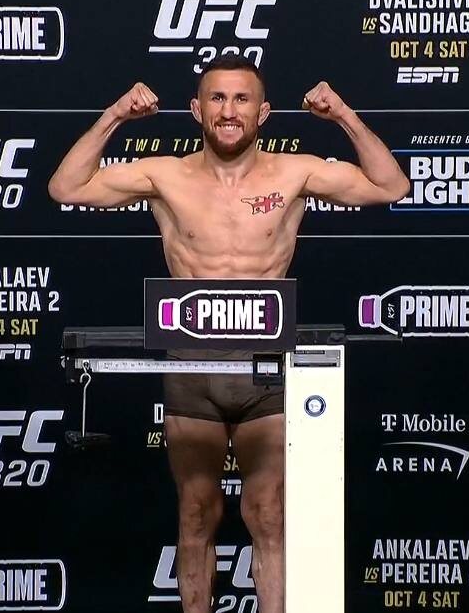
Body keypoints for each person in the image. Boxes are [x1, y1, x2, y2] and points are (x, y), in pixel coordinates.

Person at [48, 54, 409, 613]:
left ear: (263, 112)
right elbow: (65, 186)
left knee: (267, 514)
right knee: (196, 513)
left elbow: (392, 185)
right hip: (192, 368)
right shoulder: (165, 175)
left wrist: (342, 115)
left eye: (242, 99)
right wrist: (116, 114)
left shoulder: (295, 173)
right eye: (217, 98)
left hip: (267, 370)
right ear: (197, 110)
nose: (229, 110)